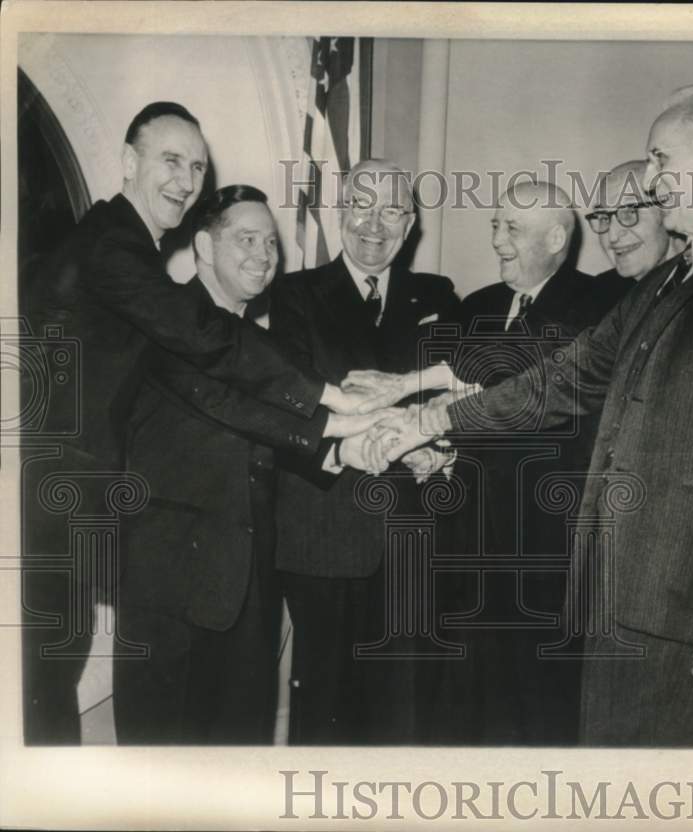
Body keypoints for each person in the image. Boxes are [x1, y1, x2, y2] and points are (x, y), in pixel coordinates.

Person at [359, 83, 693, 747]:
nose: (652, 180)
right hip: (623, 596)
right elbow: (560, 379)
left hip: (691, 602)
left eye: (661, 160)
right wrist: (431, 422)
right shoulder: (665, 283)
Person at [20, 102, 391, 744]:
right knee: (44, 707)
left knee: (48, 698)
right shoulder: (114, 247)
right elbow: (205, 345)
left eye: (196, 165)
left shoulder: (121, 249)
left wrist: (329, 430)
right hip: (66, 514)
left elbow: (222, 393)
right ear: (129, 162)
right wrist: (329, 400)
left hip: (71, 513)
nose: (187, 179)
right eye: (171, 160)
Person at [112, 186, 393, 743]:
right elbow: (229, 406)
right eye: (246, 239)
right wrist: (336, 423)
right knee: (160, 787)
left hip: (250, 598)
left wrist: (345, 449)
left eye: (270, 242)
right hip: (172, 601)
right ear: (203, 247)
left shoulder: (265, 349)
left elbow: (271, 438)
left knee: (240, 774)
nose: (264, 254)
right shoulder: (167, 322)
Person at [269, 158, 461, 745]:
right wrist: (409, 426)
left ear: (410, 225)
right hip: (325, 532)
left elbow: (453, 392)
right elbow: (298, 401)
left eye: (392, 211)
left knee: (402, 713)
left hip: (410, 537)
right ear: (339, 212)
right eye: (362, 206)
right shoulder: (295, 295)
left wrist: (438, 445)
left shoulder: (437, 294)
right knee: (326, 709)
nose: (374, 224)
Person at [427, 180, 618, 745]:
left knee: (538, 712)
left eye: (512, 228)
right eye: (495, 225)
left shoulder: (598, 305)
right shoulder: (476, 306)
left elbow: (525, 391)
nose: (497, 241)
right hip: (466, 541)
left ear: (557, 237)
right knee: (465, 707)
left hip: (543, 549)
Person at [586, 159, 686, 310]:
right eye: (603, 217)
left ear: (667, 210)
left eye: (629, 212)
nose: (612, 236)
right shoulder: (600, 294)